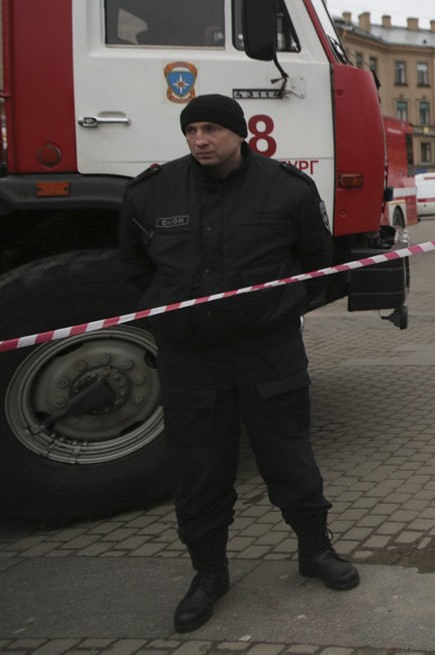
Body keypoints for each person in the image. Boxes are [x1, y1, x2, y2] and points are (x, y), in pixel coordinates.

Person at [119, 95, 359, 634]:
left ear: (238, 132)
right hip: (191, 360)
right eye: (191, 131)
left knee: (290, 459)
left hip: (266, 353)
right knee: (200, 470)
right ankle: (208, 574)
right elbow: (134, 270)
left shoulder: (286, 189)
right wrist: (173, 316)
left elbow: (319, 268)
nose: (200, 140)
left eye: (211, 129)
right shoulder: (151, 193)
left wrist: (275, 310)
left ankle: (315, 551)